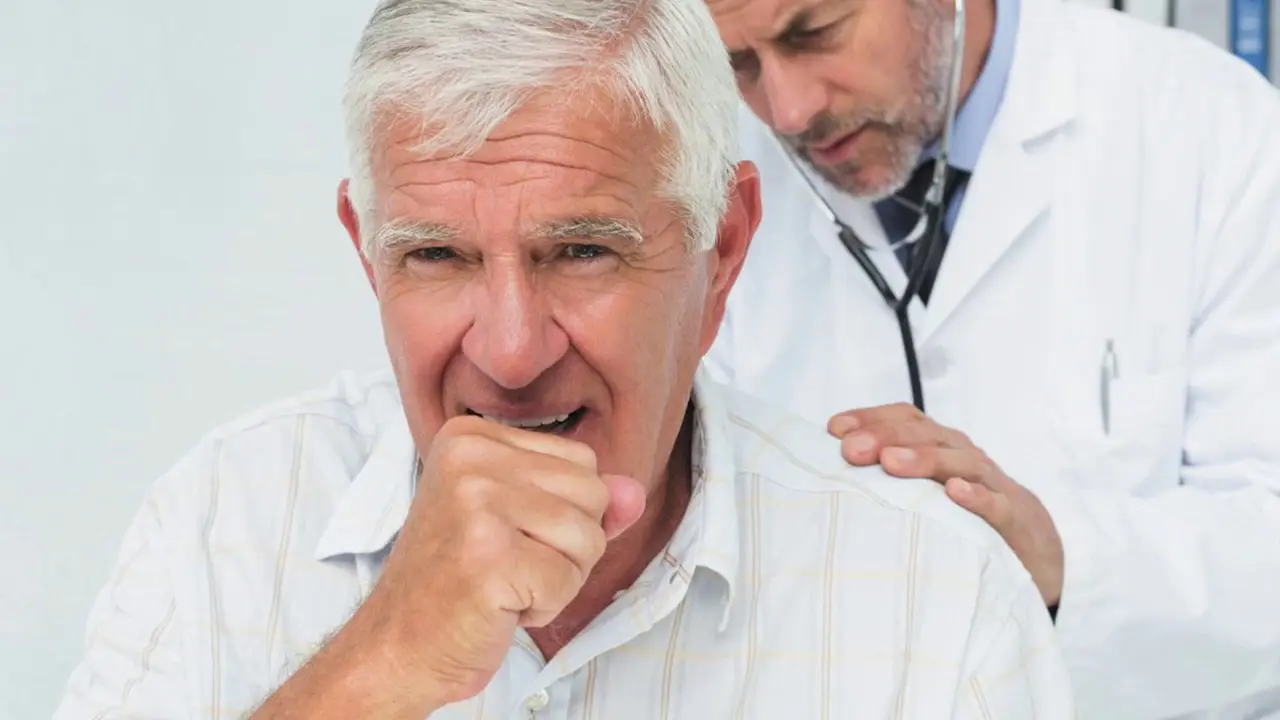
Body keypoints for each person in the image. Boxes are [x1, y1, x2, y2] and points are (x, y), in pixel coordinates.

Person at [52, 0, 1076, 717]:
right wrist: (379, 667)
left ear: (722, 247)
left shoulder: (936, 599)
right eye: (436, 256)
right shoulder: (219, 527)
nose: (509, 353)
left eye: (583, 250)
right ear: (366, 254)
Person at [699, 0, 1280, 716]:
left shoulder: (1212, 128)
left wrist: (1060, 559)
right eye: (739, 63)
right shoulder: (708, 180)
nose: (788, 111)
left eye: (815, 33)